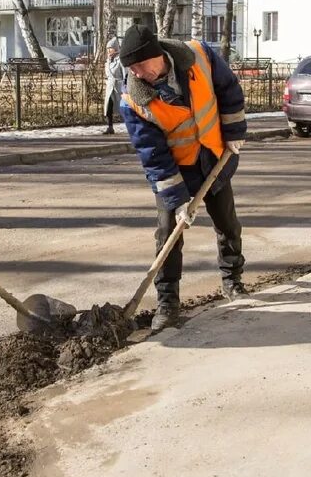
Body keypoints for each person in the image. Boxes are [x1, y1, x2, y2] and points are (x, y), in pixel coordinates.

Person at [119, 24, 248, 331]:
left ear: (157, 56)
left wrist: (234, 132)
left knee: (227, 224)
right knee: (168, 235)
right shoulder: (134, 99)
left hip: (214, 156)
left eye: (139, 65)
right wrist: (177, 200)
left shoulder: (199, 56)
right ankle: (167, 304)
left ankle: (233, 282)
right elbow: (152, 153)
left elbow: (228, 90)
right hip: (177, 169)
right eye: (130, 68)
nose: (136, 73)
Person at [102, 36, 122, 134]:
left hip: (119, 86)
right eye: (108, 49)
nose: (109, 51)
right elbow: (108, 74)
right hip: (110, 86)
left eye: (111, 48)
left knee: (123, 107)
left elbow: (125, 74)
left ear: (116, 48)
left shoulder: (120, 60)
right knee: (108, 106)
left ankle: (130, 125)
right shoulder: (108, 60)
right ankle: (110, 127)